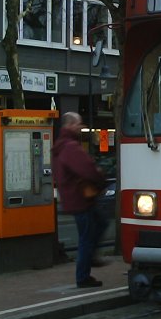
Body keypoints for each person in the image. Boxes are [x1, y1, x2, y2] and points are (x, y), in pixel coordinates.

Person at [52, 112, 108, 288]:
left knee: (97, 226)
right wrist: (100, 179)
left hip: (74, 198)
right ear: (69, 125)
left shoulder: (61, 146)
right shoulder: (71, 147)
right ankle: (83, 275)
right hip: (81, 198)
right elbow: (87, 169)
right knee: (88, 236)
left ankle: (88, 262)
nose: (81, 127)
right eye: (78, 124)